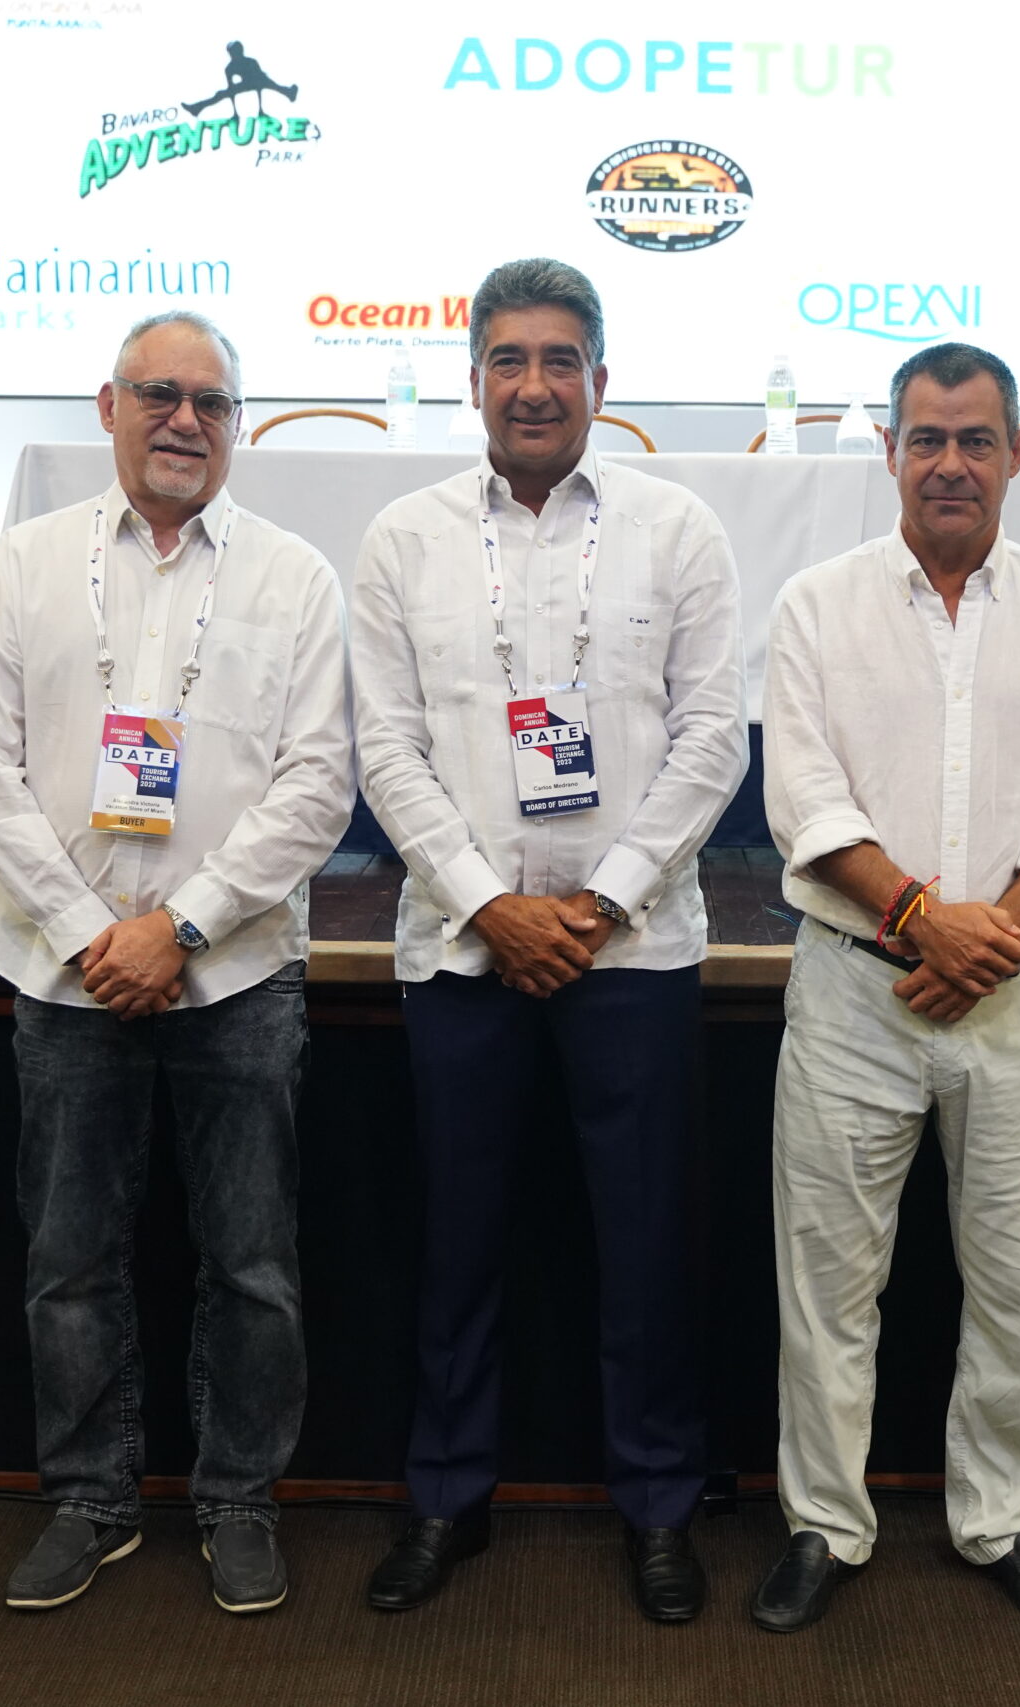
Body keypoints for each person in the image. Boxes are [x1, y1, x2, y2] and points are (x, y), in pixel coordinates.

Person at [348, 258, 745, 1623]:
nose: (533, 386)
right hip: (464, 953)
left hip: (631, 954)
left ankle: (659, 1505)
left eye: (559, 360)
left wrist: (604, 899)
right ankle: (445, 1495)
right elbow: (386, 747)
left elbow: (711, 738)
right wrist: (489, 904)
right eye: (509, 360)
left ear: (600, 381)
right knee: (456, 1242)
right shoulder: (403, 538)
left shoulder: (676, 527)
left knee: (645, 1245)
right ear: (472, 381)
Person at [0, 310, 353, 1616]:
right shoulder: (23, 563)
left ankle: (239, 1500)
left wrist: (176, 927)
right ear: (107, 406)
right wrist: (92, 934)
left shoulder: (295, 576)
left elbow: (317, 785)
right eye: (158, 393)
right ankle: (90, 1497)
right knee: (69, 1259)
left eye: (211, 402)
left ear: (237, 424)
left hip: (235, 975)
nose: (185, 420)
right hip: (66, 977)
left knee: (253, 1264)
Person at [755, 341, 1020, 1633]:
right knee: (828, 1281)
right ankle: (823, 1521)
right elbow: (804, 797)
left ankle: (1006, 1515)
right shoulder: (817, 604)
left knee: (1019, 1280)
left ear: (1018, 451)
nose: (950, 463)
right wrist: (921, 922)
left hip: (1019, 995)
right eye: (926, 438)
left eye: (975, 439)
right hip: (856, 990)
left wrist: (989, 942)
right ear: (891, 452)